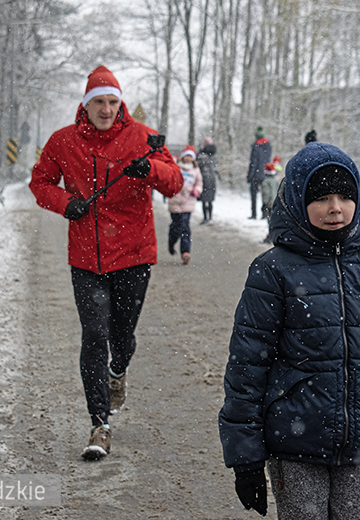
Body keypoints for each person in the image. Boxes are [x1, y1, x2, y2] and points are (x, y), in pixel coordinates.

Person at [219, 142, 360, 519]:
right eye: (321, 197)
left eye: (344, 195)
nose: (335, 207)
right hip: (295, 441)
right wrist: (246, 457)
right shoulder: (273, 270)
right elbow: (247, 366)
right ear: (297, 200)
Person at [29, 65, 183, 460]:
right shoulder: (63, 141)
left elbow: (175, 181)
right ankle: (100, 423)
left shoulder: (143, 138)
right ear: (86, 104)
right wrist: (67, 204)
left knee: (121, 337)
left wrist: (149, 168)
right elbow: (40, 182)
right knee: (94, 335)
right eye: (99, 101)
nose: (107, 109)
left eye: (113, 102)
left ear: (121, 103)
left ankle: (119, 371)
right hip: (87, 257)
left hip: (133, 254)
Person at [167, 145, 203, 265]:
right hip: (175, 201)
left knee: (185, 228)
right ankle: (171, 242)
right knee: (175, 227)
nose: (188, 159)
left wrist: (196, 190)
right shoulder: (177, 168)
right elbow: (169, 180)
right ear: (182, 157)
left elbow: (199, 183)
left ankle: (185, 252)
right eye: (186, 156)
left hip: (188, 202)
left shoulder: (195, 170)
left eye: (190, 157)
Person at [246, 126, 272, 219]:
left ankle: (254, 214)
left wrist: (250, 176)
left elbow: (253, 162)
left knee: (253, 194)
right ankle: (265, 213)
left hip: (256, 174)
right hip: (265, 173)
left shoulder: (256, 146)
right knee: (265, 194)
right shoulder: (268, 145)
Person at [259, 156, 282, 244]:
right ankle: (273, 236)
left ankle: (270, 237)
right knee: (274, 221)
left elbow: (266, 194)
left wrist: (265, 203)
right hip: (276, 204)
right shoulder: (276, 181)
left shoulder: (265, 182)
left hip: (269, 205)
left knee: (270, 222)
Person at [197, 137, 219, 224]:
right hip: (212, 179)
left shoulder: (202, 155)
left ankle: (205, 217)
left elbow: (199, 164)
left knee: (204, 200)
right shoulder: (214, 155)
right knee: (210, 200)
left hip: (204, 178)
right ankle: (210, 217)